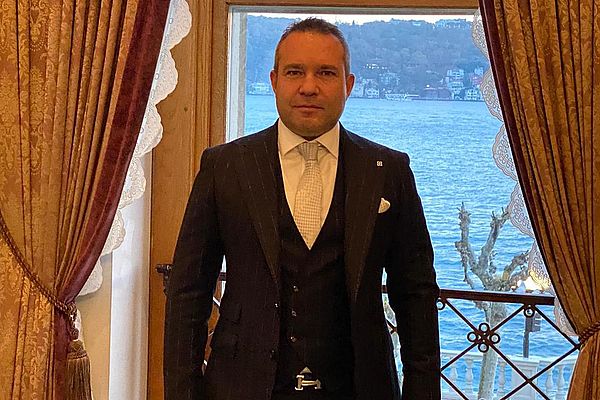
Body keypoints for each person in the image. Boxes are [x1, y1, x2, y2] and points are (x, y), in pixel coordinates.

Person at [164, 17, 440, 400]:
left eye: (325, 73)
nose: (309, 87)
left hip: (360, 387)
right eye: (295, 72)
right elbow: (189, 293)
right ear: (274, 81)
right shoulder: (225, 166)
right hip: (242, 385)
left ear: (348, 85)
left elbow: (415, 295)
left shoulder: (388, 170)